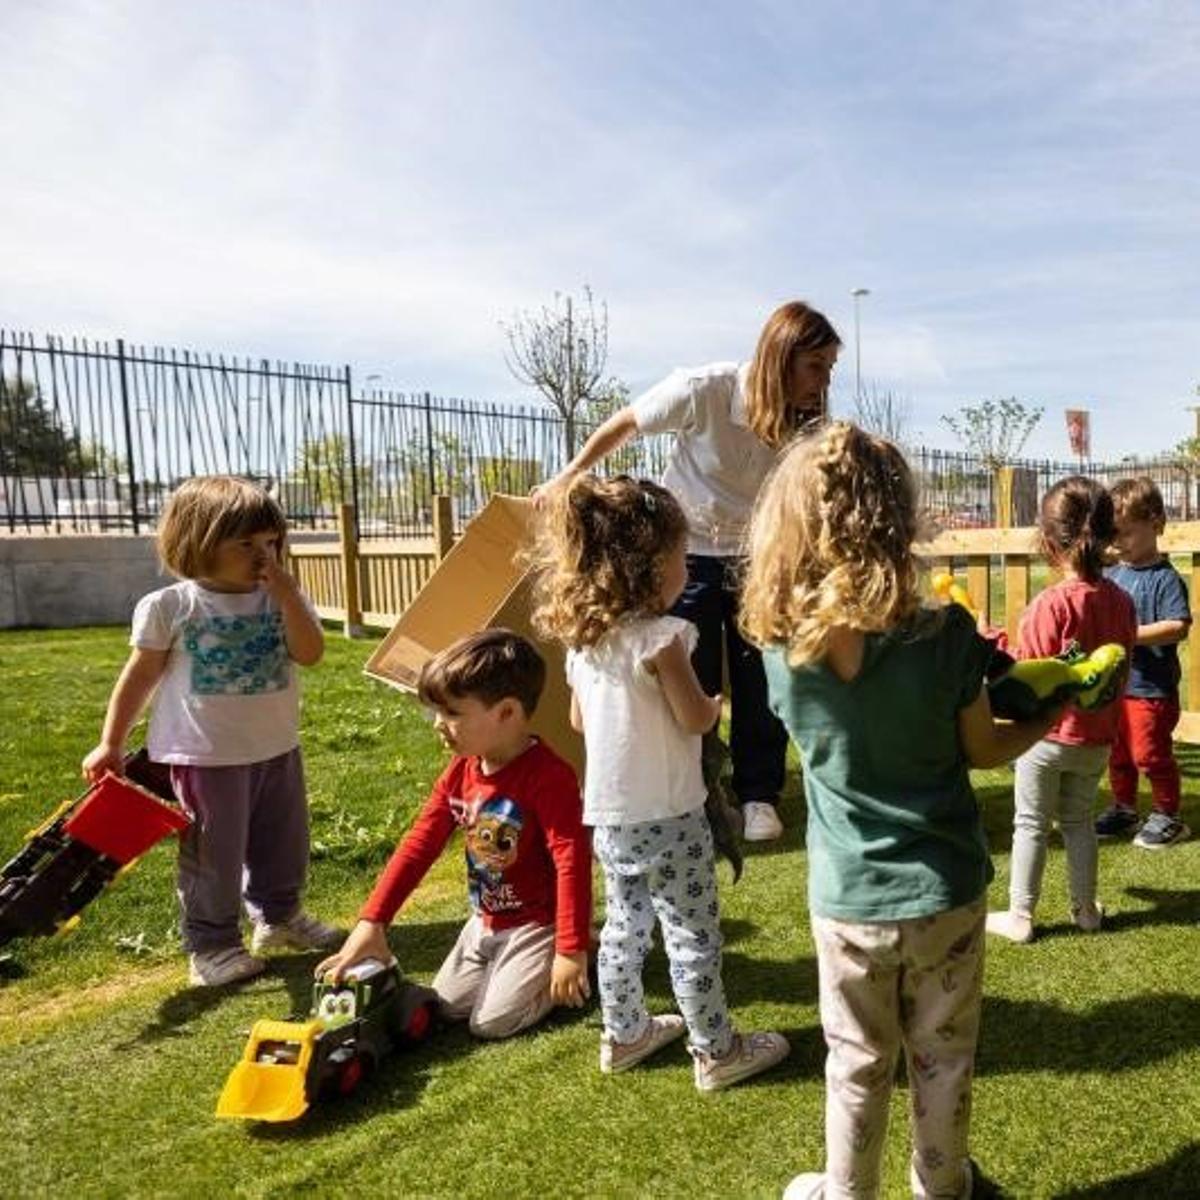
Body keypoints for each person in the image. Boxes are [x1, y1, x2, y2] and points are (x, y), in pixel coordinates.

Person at [739, 423, 1056, 1199]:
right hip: (945, 890)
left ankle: (847, 1192)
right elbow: (982, 750)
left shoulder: (783, 652)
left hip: (848, 899)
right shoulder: (946, 637)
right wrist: (1050, 718)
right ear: (899, 518)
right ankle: (944, 1187)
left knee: (855, 1058)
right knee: (942, 1056)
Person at [535, 300, 842, 842]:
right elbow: (626, 423)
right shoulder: (705, 389)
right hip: (688, 553)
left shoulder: (807, 423)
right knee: (689, 672)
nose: (824, 381)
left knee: (760, 675)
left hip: (757, 556)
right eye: (816, 366)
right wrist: (570, 474)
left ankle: (758, 796)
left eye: (829, 368)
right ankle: (699, 790)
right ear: (781, 357)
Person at [530, 473, 790, 1090]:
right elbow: (695, 718)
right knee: (692, 932)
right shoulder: (666, 639)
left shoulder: (584, 646)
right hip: (672, 815)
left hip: (611, 818)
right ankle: (716, 1051)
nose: (686, 570)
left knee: (624, 926)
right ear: (647, 569)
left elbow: (577, 721)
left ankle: (623, 1034)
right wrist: (714, 703)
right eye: (680, 557)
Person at [82, 476, 338, 987]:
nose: (264, 555)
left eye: (272, 542)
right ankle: (212, 946)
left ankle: (278, 918)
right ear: (198, 540)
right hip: (204, 757)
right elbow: (139, 678)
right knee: (213, 855)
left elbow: (310, 653)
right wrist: (111, 742)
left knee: (283, 841)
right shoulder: (171, 606)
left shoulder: (278, 599)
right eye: (247, 543)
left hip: (276, 748)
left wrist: (287, 596)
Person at [315, 630, 592, 1040]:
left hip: (537, 924)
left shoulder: (549, 777)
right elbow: (418, 845)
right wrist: (372, 923)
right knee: (445, 1007)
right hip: (484, 922)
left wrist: (569, 949)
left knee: (491, 1024)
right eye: (437, 713)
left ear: (507, 713)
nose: (439, 726)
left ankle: (585, 957)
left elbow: (572, 860)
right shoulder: (460, 773)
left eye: (452, 713)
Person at [986, 477, 1138, 945]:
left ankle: (1020, 916)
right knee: (1077, 823)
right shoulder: (1122, 602)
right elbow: (1119, 665)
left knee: (1030, 823)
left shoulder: (1048, 605)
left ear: (1050, 544)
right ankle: (1086, 910)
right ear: (1109, 534)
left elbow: (1028, 679)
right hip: (1096, 739)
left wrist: (993, 643)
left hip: (1045, 738)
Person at [1094, 477, 1191, 848]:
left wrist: (1129, 635)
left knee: (1149, 754)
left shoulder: (1165, 579)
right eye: (1112, 535)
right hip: (1116, 687)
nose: (1117, 543)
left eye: (1125, 533)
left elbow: (1178, 627)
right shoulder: (1112, 574)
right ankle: (1124, 808)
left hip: (1151, 690)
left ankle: (1168, 815)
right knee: (1117, 753)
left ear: (1155, 523)